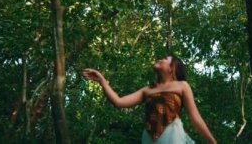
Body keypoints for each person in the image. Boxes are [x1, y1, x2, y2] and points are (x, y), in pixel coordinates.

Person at [82, 54, 218, 144]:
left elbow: (195, 118)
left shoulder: (182, 86)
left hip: (172, 134)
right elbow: (119, 102)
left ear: (173, 68)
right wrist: (102, 81)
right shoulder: (147, 89)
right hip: (148, 137)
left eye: (165, 59)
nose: (160, 59)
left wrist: (213, 142)